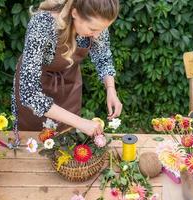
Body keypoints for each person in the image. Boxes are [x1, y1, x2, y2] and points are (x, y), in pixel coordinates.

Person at [12, 0, 122, 137]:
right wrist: (81, 123)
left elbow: (103, 57)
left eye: (102, 29)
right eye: (93, 30)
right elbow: (29, 94)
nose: (97, 35)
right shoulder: (43, 23)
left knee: (67, 142)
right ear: (75, 13)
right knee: (33, 143)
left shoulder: (97, 22)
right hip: (36, 90)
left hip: (69, 87)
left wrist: (111, 89)